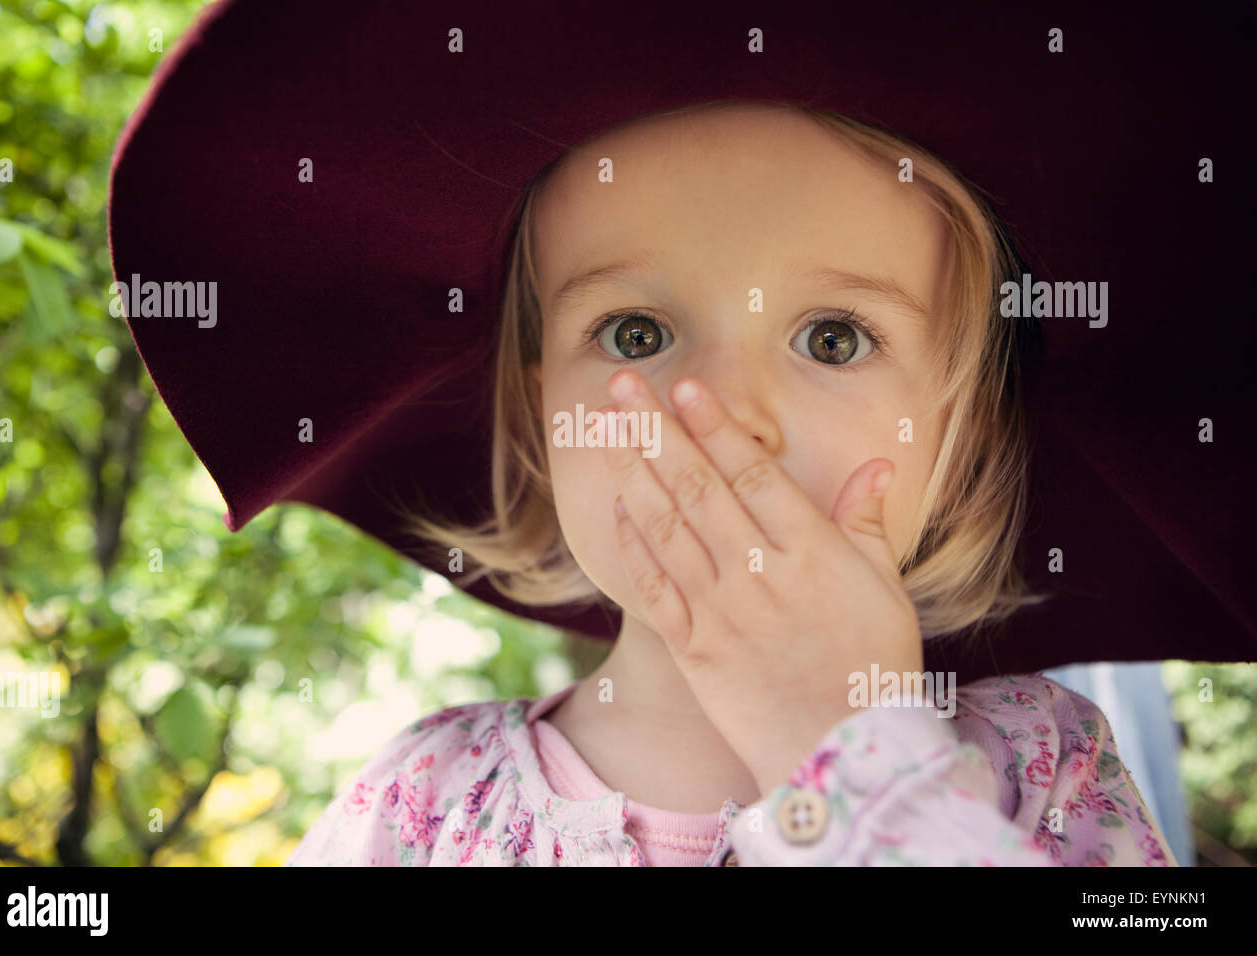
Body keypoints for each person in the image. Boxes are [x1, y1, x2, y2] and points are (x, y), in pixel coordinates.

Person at [282, 101, 1175, 867]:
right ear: (543, 410)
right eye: (635, 334)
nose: (723, 410)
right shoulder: (424, 801)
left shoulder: (1043, 763)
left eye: (834, 338)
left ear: (961, 428)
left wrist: (854, 762)